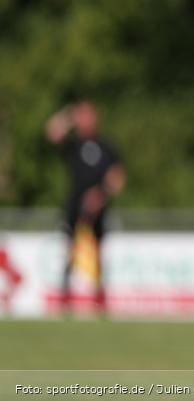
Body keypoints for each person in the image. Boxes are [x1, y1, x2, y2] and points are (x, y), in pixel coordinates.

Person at [45, 101, 126, 312]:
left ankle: (99, 297)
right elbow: (52, 132)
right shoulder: (73, 146)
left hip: (98, 206)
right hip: (75, 205)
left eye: (88, 115)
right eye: (82, 116)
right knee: (70, 249)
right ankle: (65, 295)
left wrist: (100, 195)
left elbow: (117, 177)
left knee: (98, 251)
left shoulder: (106, 146)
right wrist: (70, 116)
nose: (86, 120)